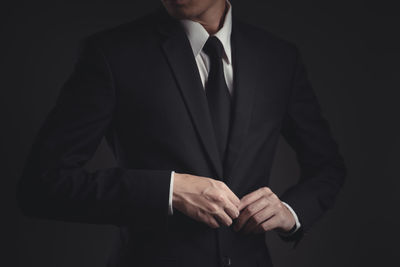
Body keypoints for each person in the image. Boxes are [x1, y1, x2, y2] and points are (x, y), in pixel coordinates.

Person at [17, 0, 347, 266]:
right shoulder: (111, 54)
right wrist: (169, 190)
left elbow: (328, 167)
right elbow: (41, 185)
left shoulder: (279, 58)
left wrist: (289, 212)